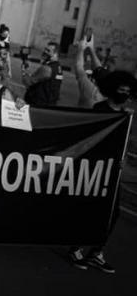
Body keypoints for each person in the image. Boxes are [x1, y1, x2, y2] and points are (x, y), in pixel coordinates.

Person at [68, 70, 136, 274]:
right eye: (120, 89)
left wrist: (124, 160)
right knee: (89, 209)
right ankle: (76, 248)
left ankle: (97, 252)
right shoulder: (100, 110)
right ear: (111, 89)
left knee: (112, 213)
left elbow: (125, 141)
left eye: (127, 91)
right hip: (96, 169)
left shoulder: (127, 115)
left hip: (114, 170)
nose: (124, 93)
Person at [22, 42, 63, 107]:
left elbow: (28, 82)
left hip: (38, 104)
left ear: (55, 54)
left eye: (48, 51)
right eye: (45, 49)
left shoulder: (47, 68)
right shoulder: (58, 67)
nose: (45, 52)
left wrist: (24, 71)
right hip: (50, 103)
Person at [75, 36, 106, 108]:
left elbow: (79, 67)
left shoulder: (90, 91)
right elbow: (100, 69)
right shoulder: (110, 95)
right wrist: (91, 48)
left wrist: (80, 49)